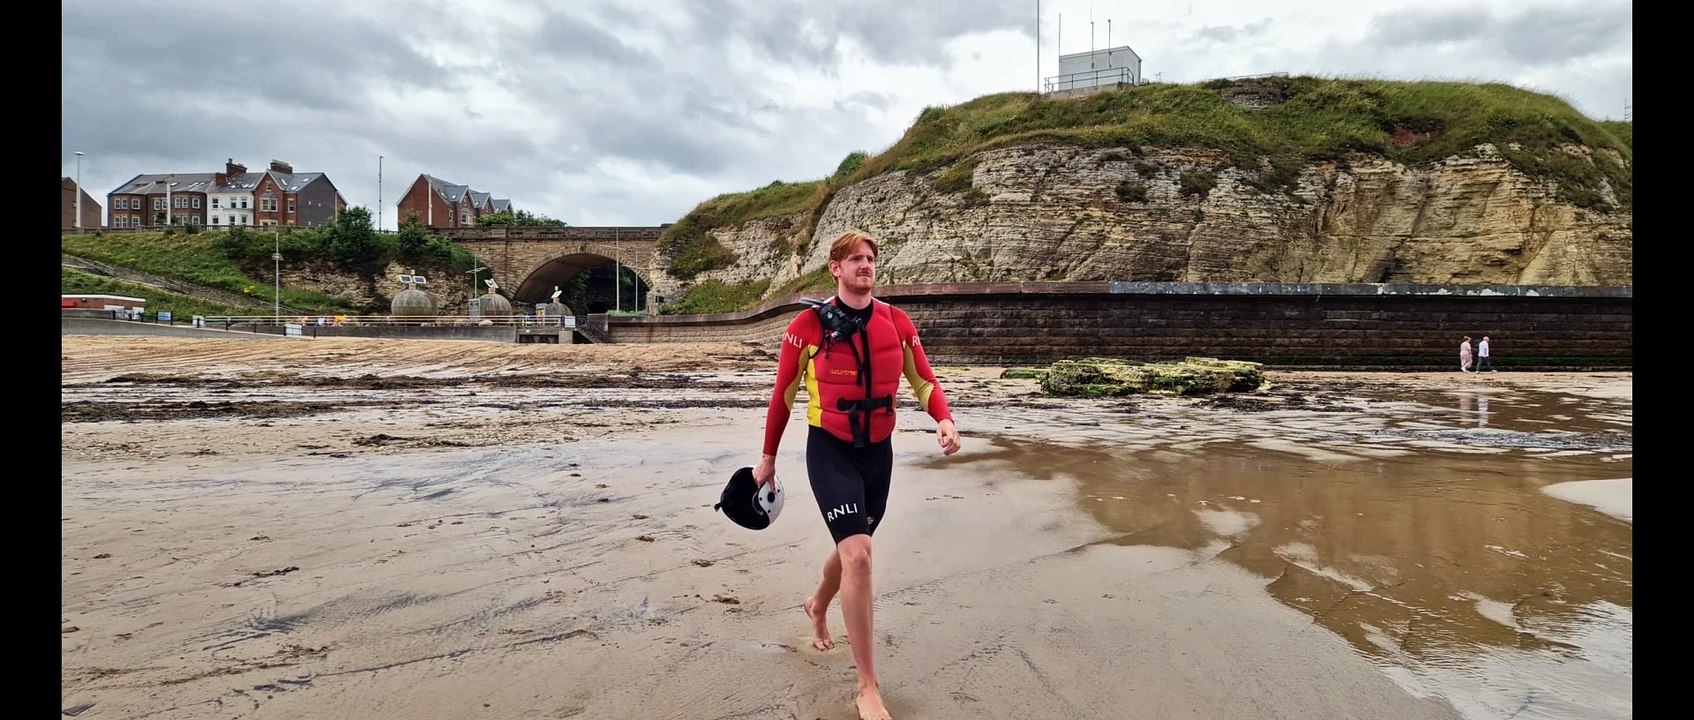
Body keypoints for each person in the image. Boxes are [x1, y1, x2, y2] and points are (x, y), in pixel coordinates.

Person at [753, 229, 960, 720]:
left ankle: (817, 604)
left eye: (870, 258)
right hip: (830, 449)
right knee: (860, 556)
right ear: (836, 268)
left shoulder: (897, 321)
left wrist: (944, 419)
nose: (865, 265)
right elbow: (783, 395)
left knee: (854, 547)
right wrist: (768, 457)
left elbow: (924, 380)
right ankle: (867, 686)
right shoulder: (806, 326)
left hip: (877, 453)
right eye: (855, 259)